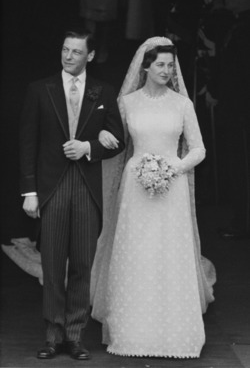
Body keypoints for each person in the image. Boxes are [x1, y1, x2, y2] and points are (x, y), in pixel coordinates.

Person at [90, 36, 216, 358]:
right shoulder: (128, 102)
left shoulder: (182, 104)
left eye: (170, 65)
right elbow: (117, 141)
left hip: (170, 188)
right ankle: (131, 331)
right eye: (159, 64)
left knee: (168, 254)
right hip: (136, 187)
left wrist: (174, 167)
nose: (165, 70)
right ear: (145, 66)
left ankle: (175, 333)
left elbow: (199, 148)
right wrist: (102, 135)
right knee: (136, 253)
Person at [19, 26, 125, 360]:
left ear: (90, 55)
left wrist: (89, 147)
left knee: (82, 263)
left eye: (76, 52)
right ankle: (53, 335)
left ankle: (75, 336)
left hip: (86, 189)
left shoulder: (103, 91)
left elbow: (117, 139)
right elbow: (27, 143)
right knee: (52, 265)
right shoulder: (40, 90)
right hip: (51, 188)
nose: (68, 56)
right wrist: (29, 191)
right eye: (65, 50)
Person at [216, 0, 250, 240]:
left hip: (242, 110)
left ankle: (243, 222)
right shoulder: (237, 24)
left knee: (242, 166)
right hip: (236, 109)